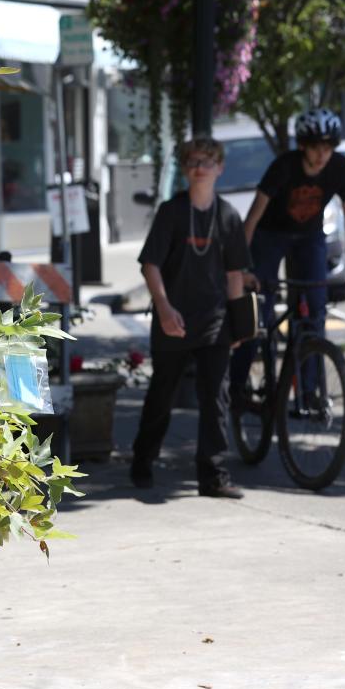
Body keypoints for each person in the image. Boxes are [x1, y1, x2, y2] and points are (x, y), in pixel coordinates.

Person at [131, 136, 250, 498]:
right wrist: (164, 308)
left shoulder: (228, 215)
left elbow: (234, 275)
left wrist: (240, 323)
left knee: (216, 396)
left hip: (214, 319)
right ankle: (142, 460)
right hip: (174, 317)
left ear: (219, 168)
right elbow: (150, 265)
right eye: (193, 162)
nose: (200, 168)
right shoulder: (172, 211)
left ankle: (213, 475)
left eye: (207, 161)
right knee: (162, 393)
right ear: (185, 169)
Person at [230, 108, 345, 398]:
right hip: (269, 236)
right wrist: (241, 268)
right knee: (258, 311)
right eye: (315, 147)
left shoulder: (340, 168)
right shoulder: (284, 167)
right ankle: (236, 385)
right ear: (302, 147)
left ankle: (309, 393)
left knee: (315, 313)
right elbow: (253, 218)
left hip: (309, 237)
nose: (322, 155)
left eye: (328, 147)